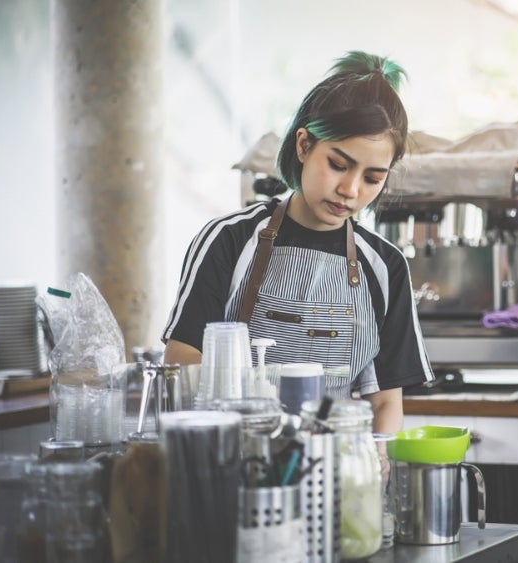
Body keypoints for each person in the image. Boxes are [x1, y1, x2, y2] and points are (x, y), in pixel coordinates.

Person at [161, 51, 434, 434]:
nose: (350, 190)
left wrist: (375, 466)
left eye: (373, 178)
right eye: (338, 164)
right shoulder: (230, 239)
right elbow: (183, 361)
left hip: (338, 467)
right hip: (238, 463)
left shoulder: (385, 266)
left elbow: (386, 400)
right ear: (304, 146)